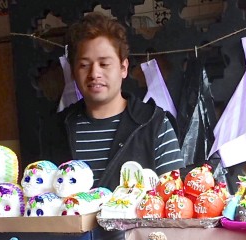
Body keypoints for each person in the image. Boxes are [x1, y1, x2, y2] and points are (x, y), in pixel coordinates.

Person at [58, 12, 185, 189]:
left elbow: (174, 199)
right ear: (73, 72)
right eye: (84, 65)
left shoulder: (155, 125)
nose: (94, 74)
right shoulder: (58, 129)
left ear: (123, 68)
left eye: (104, 64)